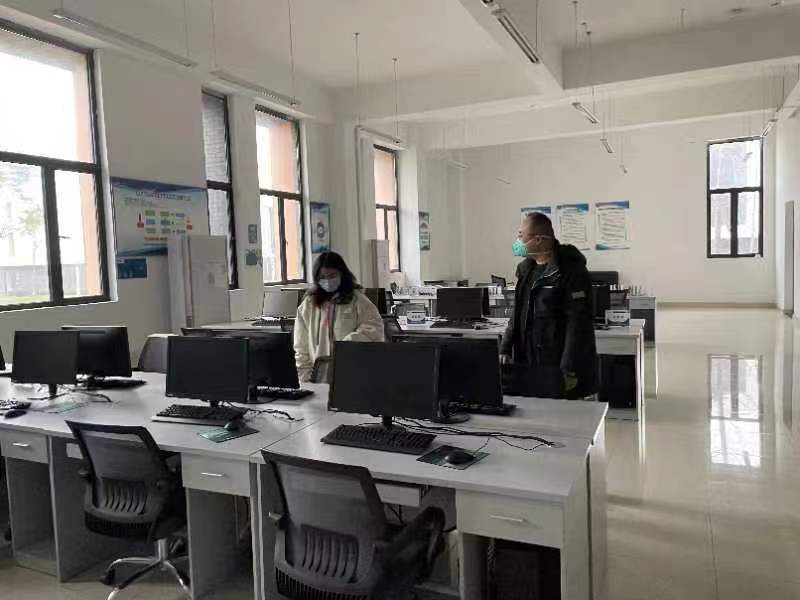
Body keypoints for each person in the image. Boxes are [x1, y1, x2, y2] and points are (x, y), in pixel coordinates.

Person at [500, 212, 598, 399]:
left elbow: (578, 324)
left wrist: (568, 369)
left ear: (538, 239)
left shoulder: (571, 271)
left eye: (521, 236)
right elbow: (517, 313)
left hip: (556, 363)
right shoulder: (525, 270)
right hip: (528, 361)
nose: (517, 241)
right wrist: (505, 347)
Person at [294, 251, 385, 382]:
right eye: (323, 277)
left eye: (332, 275)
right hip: (318, 376)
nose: (328, 281)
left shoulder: (357, 300)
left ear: (342, 274)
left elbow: (374, 329)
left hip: (351, 374)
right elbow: (301, 347)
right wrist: (305, 379)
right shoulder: (308, 305)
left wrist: (344, 346)